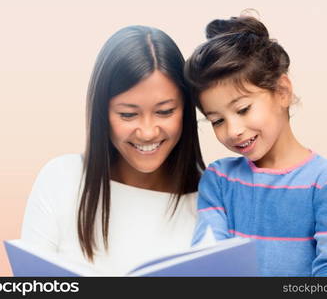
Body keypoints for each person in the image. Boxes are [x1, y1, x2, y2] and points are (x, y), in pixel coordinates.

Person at [184, 15, 327, 276]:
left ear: (281, 91)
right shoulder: (219, 179)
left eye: (243, 109)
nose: (233, 131)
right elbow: (209, 258)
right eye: (217, 120)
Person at [20, 25, 205, 275]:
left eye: (164, 111)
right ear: (102, 114)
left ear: (186, 110)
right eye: (128, 114)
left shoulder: (210, 199)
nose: (148, 132)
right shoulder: (61, 180)